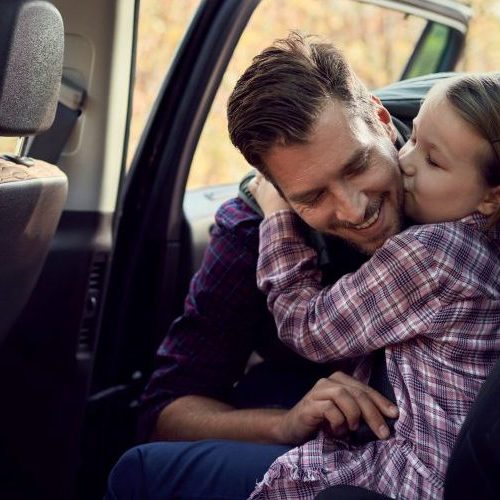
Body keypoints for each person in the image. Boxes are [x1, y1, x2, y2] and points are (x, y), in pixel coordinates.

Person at [106, 33, 429, 499]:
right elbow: (167, 412)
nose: (355, 209)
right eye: (313, 197)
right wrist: (288, 423)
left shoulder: (462, 164)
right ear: (273, 190)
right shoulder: (253, 230)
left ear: (380, 120)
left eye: (358, 165)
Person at [246, 72, 500, 499]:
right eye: (414, 137)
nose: (406, 162)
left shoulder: (430, 253)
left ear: (491, 197)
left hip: (416, 474)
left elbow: (309, 328)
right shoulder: (479, 245)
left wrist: (276, 218)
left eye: (433, 161)